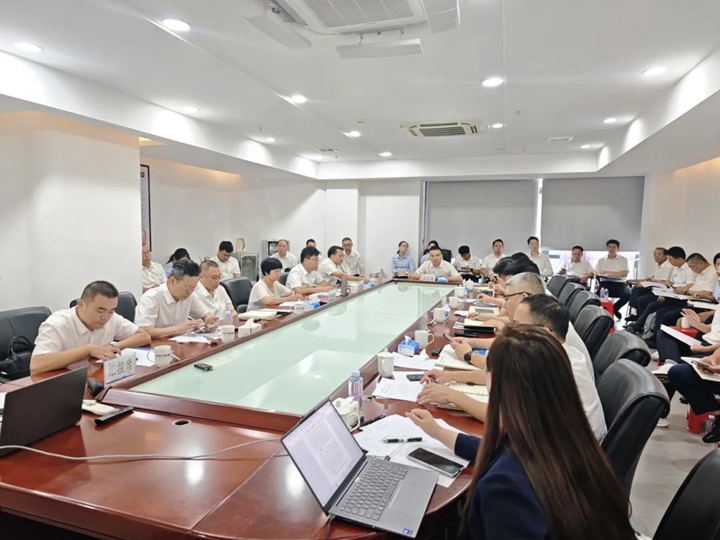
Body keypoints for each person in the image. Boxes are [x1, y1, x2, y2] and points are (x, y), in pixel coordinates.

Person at [407, 326, 636, 540]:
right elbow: (499, 451)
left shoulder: (506, 488)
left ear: (494, 381)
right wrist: (438, 432)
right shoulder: (569, 439)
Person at [451, 271, 593, 373]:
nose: (504, 304)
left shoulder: (550, 342)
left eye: (506, 298)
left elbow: (503, 371)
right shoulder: (544, 312)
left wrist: (468, 355)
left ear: (523, 297)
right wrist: (470, 342)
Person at [30, 281, 151, 375]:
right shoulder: (57, 324)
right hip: (63, 382)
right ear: (81, 305)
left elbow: (143, 336)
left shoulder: (112, 318)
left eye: (111, 311)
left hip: (95, 378)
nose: (105, 317)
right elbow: (36, 365)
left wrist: (113, 346)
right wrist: (88, 349)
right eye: (100, 310)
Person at [628, 252, 717, 341]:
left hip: (697, 303)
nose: (692, 270)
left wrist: (686, 291)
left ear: (700, 263)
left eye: (693, 267)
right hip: (686, 297)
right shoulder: (701, 272)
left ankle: (656, 338)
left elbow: (707, 293)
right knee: (654, 305)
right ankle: (641, 329)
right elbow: (690, 287)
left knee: (665, 313)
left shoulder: (712, 273)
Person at [135, 260, 219, 339]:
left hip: (178, 342)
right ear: (172, 281)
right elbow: (143, 331)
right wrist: (178, 329)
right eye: (187, 287)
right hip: (155, 346)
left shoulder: (190, 295)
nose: (190, 292)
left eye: (193, 287)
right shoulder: (151, 298)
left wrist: (209, 319)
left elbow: (205, 314)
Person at [626, 246, 691, 333]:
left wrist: (676, 290)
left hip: (679, 298)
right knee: (642, 297)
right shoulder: (676, 268)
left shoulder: (688, 269)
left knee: (652, 305)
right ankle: (638, 325)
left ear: (679, 259)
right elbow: (670, 283)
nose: (669, 261)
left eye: (670, 259)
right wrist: (664, 293)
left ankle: (638, 327)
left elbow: (688, 286)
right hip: (670, 294)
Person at [626, 247, 672, 321]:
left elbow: (663, 282)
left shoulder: (668, 267)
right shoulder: (658, 265)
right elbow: (649, 278)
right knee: (636, 289)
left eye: (659, 254)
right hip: (652, 287)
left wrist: (647, 283)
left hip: (660, 290)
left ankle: (638, 317)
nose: (656, 256)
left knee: (641, 297)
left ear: (665, 256)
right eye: (655, 254)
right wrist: (634, 280)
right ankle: (635, 313)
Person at [595, 239, 630, 319]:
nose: (611, 249)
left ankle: (614, 309)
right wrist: (601, 274)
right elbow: (597, 272)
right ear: (607, 248)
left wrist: (609, 272)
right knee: (595, 298)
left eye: (614, 247)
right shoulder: (601, 260)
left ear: (618, 248)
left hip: (619, 284)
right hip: (605, 283)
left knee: (627, 294)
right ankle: (604, 312)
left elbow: (624, 273)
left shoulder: (623, 260)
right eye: (610, 246)